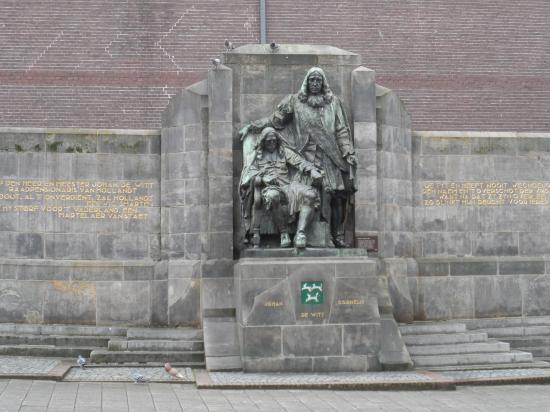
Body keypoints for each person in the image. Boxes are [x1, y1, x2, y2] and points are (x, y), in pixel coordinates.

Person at [240, 67, 357, 247]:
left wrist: (348, 152)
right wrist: (252, 126)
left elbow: (341, 130)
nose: (315, 83)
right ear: (307, 82)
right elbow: (275, 120)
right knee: (314, 194)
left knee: (337, 196)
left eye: (318, 80)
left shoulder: (334, 102)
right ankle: (307, 235)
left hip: (330, 155)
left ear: (323, 83)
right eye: (312, 80)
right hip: (306, 156)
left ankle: (337, 236)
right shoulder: (294, 101)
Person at [239, 127, 323, 248]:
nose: (272, 143)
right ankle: (284, 233)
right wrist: (264, 178)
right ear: (263, 141)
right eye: (269, 141)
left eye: (274, 140)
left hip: (289, 186)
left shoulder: (283, 151)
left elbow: (300, 162)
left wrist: (312, 170)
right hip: (270, 188)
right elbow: (248, 174)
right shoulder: (255, 156)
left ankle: (300, 234)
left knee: (311, 195)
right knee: (273, 196)